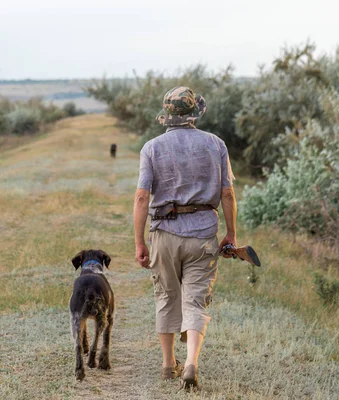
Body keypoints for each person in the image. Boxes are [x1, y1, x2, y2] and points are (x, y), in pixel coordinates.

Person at [133, 86, 237, 389]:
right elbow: (228, 193)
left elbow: (142, 197)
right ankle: (191, 362)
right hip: (203, 233)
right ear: (193, 114)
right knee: (195, 299)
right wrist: (230, 234)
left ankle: (168, 365)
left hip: (164, 233)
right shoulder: (215, 144)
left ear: (167, 116)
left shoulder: (151, 148)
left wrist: (140, 242)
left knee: (166, 295)